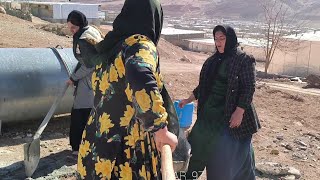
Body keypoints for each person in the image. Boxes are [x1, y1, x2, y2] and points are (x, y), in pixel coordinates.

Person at [77, 0, 178, 179]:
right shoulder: (140, 44)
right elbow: (140, 73)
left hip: (97, 143)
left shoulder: (112, 47)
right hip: (126, 152)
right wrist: (159, 128)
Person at [178, 25, 261, 180]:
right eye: (216, 39)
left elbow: (248, 87)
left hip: (231, 114)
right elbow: (204, 86)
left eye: (222, 38)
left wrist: (240, 111)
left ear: (230, 39)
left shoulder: (243, 60)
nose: (218, 42)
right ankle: (185, 176)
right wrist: (188, 99)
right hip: (210, 113)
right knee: (196, 145)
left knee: (227, 154)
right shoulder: (213, 61)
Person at [66, 10, 103, 154]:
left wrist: (73, 78)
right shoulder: (90, 30)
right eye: (70, 28)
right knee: (90, 111)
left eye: (73, 28)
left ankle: (79, 147)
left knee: (81, 113)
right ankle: (88, 144)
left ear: (80, 25)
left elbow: (89, 64)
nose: (71, 31)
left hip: (89, 81)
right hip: (96, 78)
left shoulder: (83, 39)